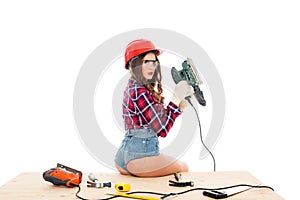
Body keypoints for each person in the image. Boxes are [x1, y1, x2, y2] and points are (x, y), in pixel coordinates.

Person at [114, 39, 193, 177]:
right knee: (183, 168)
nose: (151, 66)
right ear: (135, 65)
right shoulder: (140, 92)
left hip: (123, 157)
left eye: (154, 62)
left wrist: (180, 105)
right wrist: (175, 98)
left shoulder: (132, 87)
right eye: (146, 62)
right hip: (139, 157)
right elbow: (162, 129)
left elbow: (158, 120)